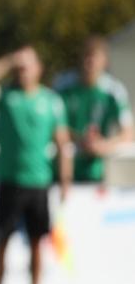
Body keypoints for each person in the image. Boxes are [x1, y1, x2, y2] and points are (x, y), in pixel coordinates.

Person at [0, 46, 72, 284]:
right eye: (20, 68)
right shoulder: (8, 96)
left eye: (27, 66)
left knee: (36, 241)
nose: (23, 71)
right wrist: (8, 58)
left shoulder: (51, 101)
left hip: (39, 181)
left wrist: (65, 180)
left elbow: (63, 142)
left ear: (39, 69)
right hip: (9, 179)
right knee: (2, 240)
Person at [54, 36, 133, 184]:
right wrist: (80, 139)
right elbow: (51, 126)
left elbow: (128, 133)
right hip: (61, 173)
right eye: (86, 56)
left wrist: (104, 145)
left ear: (105, 61)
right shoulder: (63, 86)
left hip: (96, 173)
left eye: (95, 57)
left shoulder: (114, 91)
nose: (90, 63)